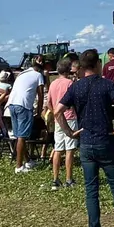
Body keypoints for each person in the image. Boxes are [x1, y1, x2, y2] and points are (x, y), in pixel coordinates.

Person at [54, 48, 114, 227]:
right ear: (98, 64)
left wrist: (70, 133)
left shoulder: (76, 87)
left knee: (91, 191)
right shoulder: (107, 84)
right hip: (106, 141)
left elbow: (57, 111)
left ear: (81, 67)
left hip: (87, 144)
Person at [7, 56, 47, 173]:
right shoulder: (38, 75)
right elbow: (40, 95)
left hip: (12, 104)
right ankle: (19, 166)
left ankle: (28, 160)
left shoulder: (22, 73)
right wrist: (39, 112)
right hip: (23, 106)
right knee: (22, 137)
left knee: (19, 135)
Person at [47, 57, 78, 190]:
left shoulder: (53, 84)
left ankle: (55, 179)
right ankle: (69, 179)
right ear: (69, 70)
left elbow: (48, 102)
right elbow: (75, 101)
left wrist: (55, 112)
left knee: (58, 149)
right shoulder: (70, 83)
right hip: (69, 118)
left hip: (57, 119)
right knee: (70, 149)